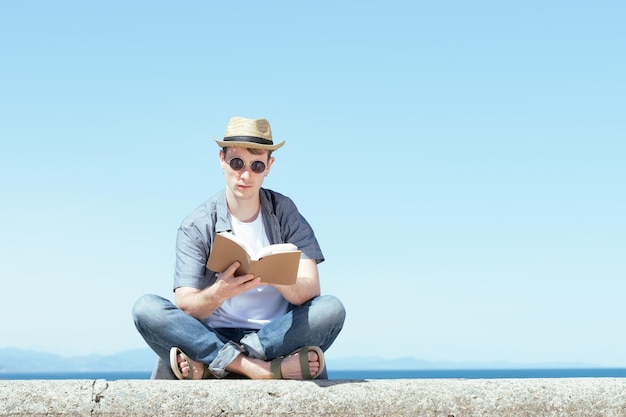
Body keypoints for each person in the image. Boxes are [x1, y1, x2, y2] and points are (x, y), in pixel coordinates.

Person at [132, 116, 346, 380]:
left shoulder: (285, 212)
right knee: (146, 308)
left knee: (331, 309)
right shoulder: (196, 225)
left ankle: (223, 362)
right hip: (212, 335)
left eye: (256, 166)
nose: (245, 175)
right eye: (236, 163)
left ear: (269, 166)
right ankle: (257, 369)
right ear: (221, 160)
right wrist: (219, 292)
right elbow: (186, 305)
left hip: (273, 337)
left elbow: (312, 290)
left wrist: (276, 277)